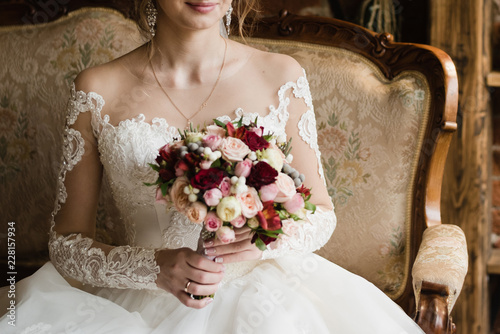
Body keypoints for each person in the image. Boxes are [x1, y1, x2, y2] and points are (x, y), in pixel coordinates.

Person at [0, 1, 425, 333]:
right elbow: (67, 243)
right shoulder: (98, 89)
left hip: (270, 297)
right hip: (140, 301)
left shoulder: (281, 76)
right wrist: (153, 268)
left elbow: (321, 214)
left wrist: (264, 241)